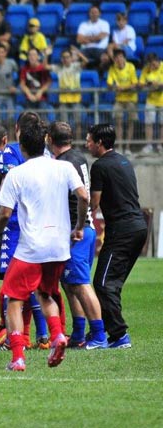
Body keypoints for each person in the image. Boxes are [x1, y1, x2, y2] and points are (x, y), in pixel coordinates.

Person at [0, 121, 87, 372]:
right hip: (59, 246)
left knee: (13, 299)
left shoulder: (17, 173)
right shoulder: (64, 167)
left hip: (31, 247)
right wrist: (79, 226)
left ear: (22, 147)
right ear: (46, 141)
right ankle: (58, 334)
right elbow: (83, 196)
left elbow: (5, 214)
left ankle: (17, 357)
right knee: (45, 293)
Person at [86, 123, 148, 349]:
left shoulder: (100, 166)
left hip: (122, 230)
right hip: (138, 226)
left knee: (103, 283)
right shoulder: (124, 160)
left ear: (99, 143)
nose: (87, 144)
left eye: (89, 140)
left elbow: (94, 202)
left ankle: (119, 335)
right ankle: (108, 333)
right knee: (111, 283)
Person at [48, 121, 108, 350]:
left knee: (81, 284)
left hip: (77, 233)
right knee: (70, 284)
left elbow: (83, 197)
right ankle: (78, 334)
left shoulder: (64, 163)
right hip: (80, 231)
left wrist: (79, 226)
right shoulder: (79, 157)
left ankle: (99, 335)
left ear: (49, 140)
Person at [107, 49, 139, 151]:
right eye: (116, 58)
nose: (119, 59)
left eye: (121, 57)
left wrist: (123, 88)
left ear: (124, 57)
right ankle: (120, 146)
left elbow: (135, 83)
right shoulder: (112, 68)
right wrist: (113, 86)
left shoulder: (131, 67)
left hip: (131, 99)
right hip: (119, 100)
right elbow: (109, 83)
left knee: (130, 123)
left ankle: (128, 147)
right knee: (118, 124)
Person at [140, 53, 163, 153]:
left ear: (158, 61)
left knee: (162, 124)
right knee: (149, 123)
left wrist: (159, 84)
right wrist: (148, 84)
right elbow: (140, 83)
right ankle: (149, 145)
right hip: (151, 100)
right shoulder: (146, 69)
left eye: (153, 64)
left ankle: (160, 145)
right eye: (150, 65)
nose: (152, 67)